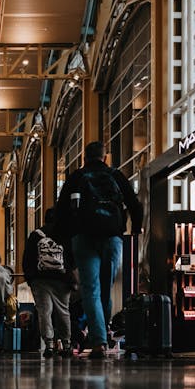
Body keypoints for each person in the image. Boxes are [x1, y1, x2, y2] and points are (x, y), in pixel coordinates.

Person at [55, 141, 143, 359]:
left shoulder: (76, 177)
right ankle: (103, 336)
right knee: (106, 289)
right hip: (113, 237)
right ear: (105, 157)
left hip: (84, 237)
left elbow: (60, 211)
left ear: (85, 157)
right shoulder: (115, 175)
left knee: (90, 291)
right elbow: (135, 203)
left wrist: (66, 239)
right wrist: (136, 229)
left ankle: (99, 342)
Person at [23, 207, 74, 359]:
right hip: (61, 279)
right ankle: (66, 344)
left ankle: (49, 345)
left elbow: (27, 258)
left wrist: (31, 278)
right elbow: (72, 257)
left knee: (44, 312)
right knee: (63, 311)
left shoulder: (36, 235)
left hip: (41, 279)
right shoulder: (66, 234)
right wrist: (69, 275)